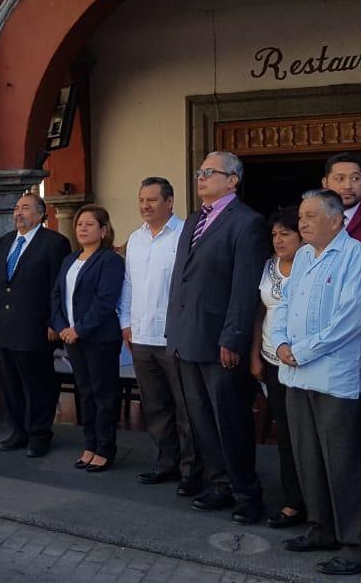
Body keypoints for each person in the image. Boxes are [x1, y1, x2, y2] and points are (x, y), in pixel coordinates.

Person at [270, 190, 361, 576]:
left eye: (311, 215)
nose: (302, 222)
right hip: (295, 373)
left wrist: (303, 350)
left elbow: (352, 317)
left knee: (343, 464)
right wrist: (279, 341)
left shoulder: (354, 255)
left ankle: (357, 545)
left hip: (334, 377)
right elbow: (284, 303)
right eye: (301, 215)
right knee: (308, 457)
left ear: (336, 220)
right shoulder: (300, 256)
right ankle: (321, 529)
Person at [164, 151, 269, 524]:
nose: (201, 177)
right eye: (200, 171)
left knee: (231, 419)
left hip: (219, 340)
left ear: (232, 180)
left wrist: (234, 338)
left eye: (210, 172)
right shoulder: (195, 219)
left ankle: (246, 493)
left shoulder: (247, 222)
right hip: (185, 335)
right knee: (200, 418)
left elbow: (244, 287)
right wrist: (171, 328)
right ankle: (218, 483)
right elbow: (183, 277)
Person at [118, 177, 201, 491]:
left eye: (152, 200)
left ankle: (191, 471)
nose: (145, 206)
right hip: (140, 337)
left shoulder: (185, 236)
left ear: (170, 201)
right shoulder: (135, 239)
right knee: (155, 407)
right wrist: (126, 322)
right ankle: (166, 463)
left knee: (185, 408)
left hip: (174, 339)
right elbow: (128, 284)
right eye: (141, 200)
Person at [0, 193, 71, 457]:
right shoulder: (5, 242)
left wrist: (53, 322)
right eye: (16, 208)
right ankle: (19, 431)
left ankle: (39, 434)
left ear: (40, 214)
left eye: (25, 208)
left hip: (36, 327)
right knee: (10, 381)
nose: (18, 213)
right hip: (5, 325)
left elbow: (57, 286)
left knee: (38, 383)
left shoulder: (54, 242)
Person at [52, 205, 126, 472]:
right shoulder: (69, 260)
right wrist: (62, 327)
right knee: (85, 393)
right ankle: (90, 444)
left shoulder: (110, 260)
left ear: (103, 230)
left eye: (89, 224)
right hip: (72, 339)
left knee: (103, 394)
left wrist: (78, 329)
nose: (82, 228)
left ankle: (105, 448)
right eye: (79, 224)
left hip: (99, 338)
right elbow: (56, 297)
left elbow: (104, 302)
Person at [248, 206, 306, 529]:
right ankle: (292, 501)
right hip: (272, 361)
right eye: (274, 234)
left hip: (306, 362)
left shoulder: (312, 265)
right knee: (285, 435)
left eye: (286, 233)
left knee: (307, 435)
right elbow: (259, 313)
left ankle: (317, 502)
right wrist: (255, 355)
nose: (278, 240)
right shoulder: (268, 267)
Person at [322, 153, 361, 248]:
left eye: (355, 179)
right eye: (339, 179)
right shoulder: (314, 219)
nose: (348, 186)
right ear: (325, 183)